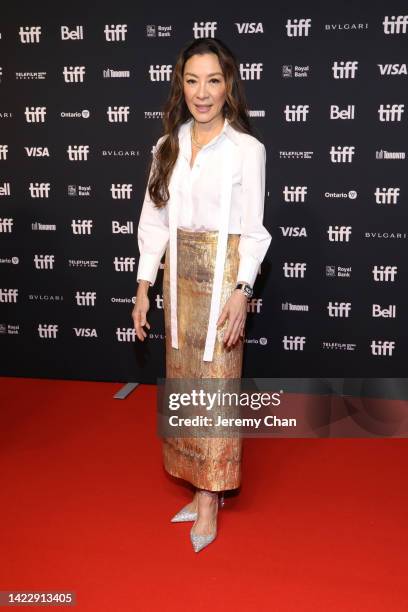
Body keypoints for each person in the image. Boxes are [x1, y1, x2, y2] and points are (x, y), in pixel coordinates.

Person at [132, 37, 272, 553]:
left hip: (222, 275)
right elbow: (154, 221)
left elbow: (255, 231)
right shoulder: (166, 146)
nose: (202, 92)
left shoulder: (245, 150)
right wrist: (144, 285)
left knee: (215, 385)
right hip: (177, 281)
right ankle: (196, 482)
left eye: (213, 80)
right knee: (185, 384)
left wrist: (242, 289)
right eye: (192, 81)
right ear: (181, 86)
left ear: (228, 85)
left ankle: (212, 496)